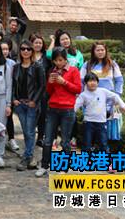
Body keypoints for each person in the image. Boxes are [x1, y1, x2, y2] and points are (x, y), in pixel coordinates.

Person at [35, 47, 81, 177]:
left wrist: (64, 82)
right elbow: (49, 92)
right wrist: (49, 83)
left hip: (67, 109)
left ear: (66, 59)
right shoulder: (52, 71)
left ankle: (64, 167)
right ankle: (44, 166)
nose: (58, 63)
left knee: (65, 141)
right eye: (55, 60)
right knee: (48, 139)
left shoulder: (73, 71)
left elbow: (78, 89)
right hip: (53, 109)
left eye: (60, 60)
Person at [80, 42, 125, 142]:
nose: (100, 52)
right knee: (91, 128)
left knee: (106, 129)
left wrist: (117, 96)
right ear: (93, 52)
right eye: (98, 50)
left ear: (106, 51)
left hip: (108, 102)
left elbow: (119, 80)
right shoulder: (87, 65)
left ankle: (103, 151)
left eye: (102, 50)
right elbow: (81, 83)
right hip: (91, 102)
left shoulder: (112, 65)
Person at [75, 73, 125, 156]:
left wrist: (122, 105)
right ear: (85, 83)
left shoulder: (103, 91)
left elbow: (115, 96)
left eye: (94, 81)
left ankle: (106, 162)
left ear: (97, 82)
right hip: (88, 123)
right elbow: (76, 106)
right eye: (90, 81)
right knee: (87, 143)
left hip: (101, 123)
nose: (92, 83)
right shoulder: (83, 95)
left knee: (103, 143)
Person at [12, 40, 45, 171]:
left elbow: (42, 86)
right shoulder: (16, 67)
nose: (25, 51)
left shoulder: (37, 66)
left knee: (30, 131)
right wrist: (14, 99)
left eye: (28, 49)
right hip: (20, 104)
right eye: (23, 49)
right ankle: (30, 158)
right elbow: (13, 85)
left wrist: (35, 101)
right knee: (26, 131)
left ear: (32, 51)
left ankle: (26, 157)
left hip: (32, 104)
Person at [30, 33, 51, 147]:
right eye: (36, 42)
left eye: (40, 43)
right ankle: (30, 137)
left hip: (44, 90)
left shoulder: (46, 57)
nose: (38, 45)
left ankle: (40, 138)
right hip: (30, 90)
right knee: (31, 114)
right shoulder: (28, 56)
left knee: (43, 115)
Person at [0, 40, 19, 152]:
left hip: (9, 94)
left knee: (9, 117)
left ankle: (11, 139)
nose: (5, 51)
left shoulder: (12, 63)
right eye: (2, 49)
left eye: (6, 49)